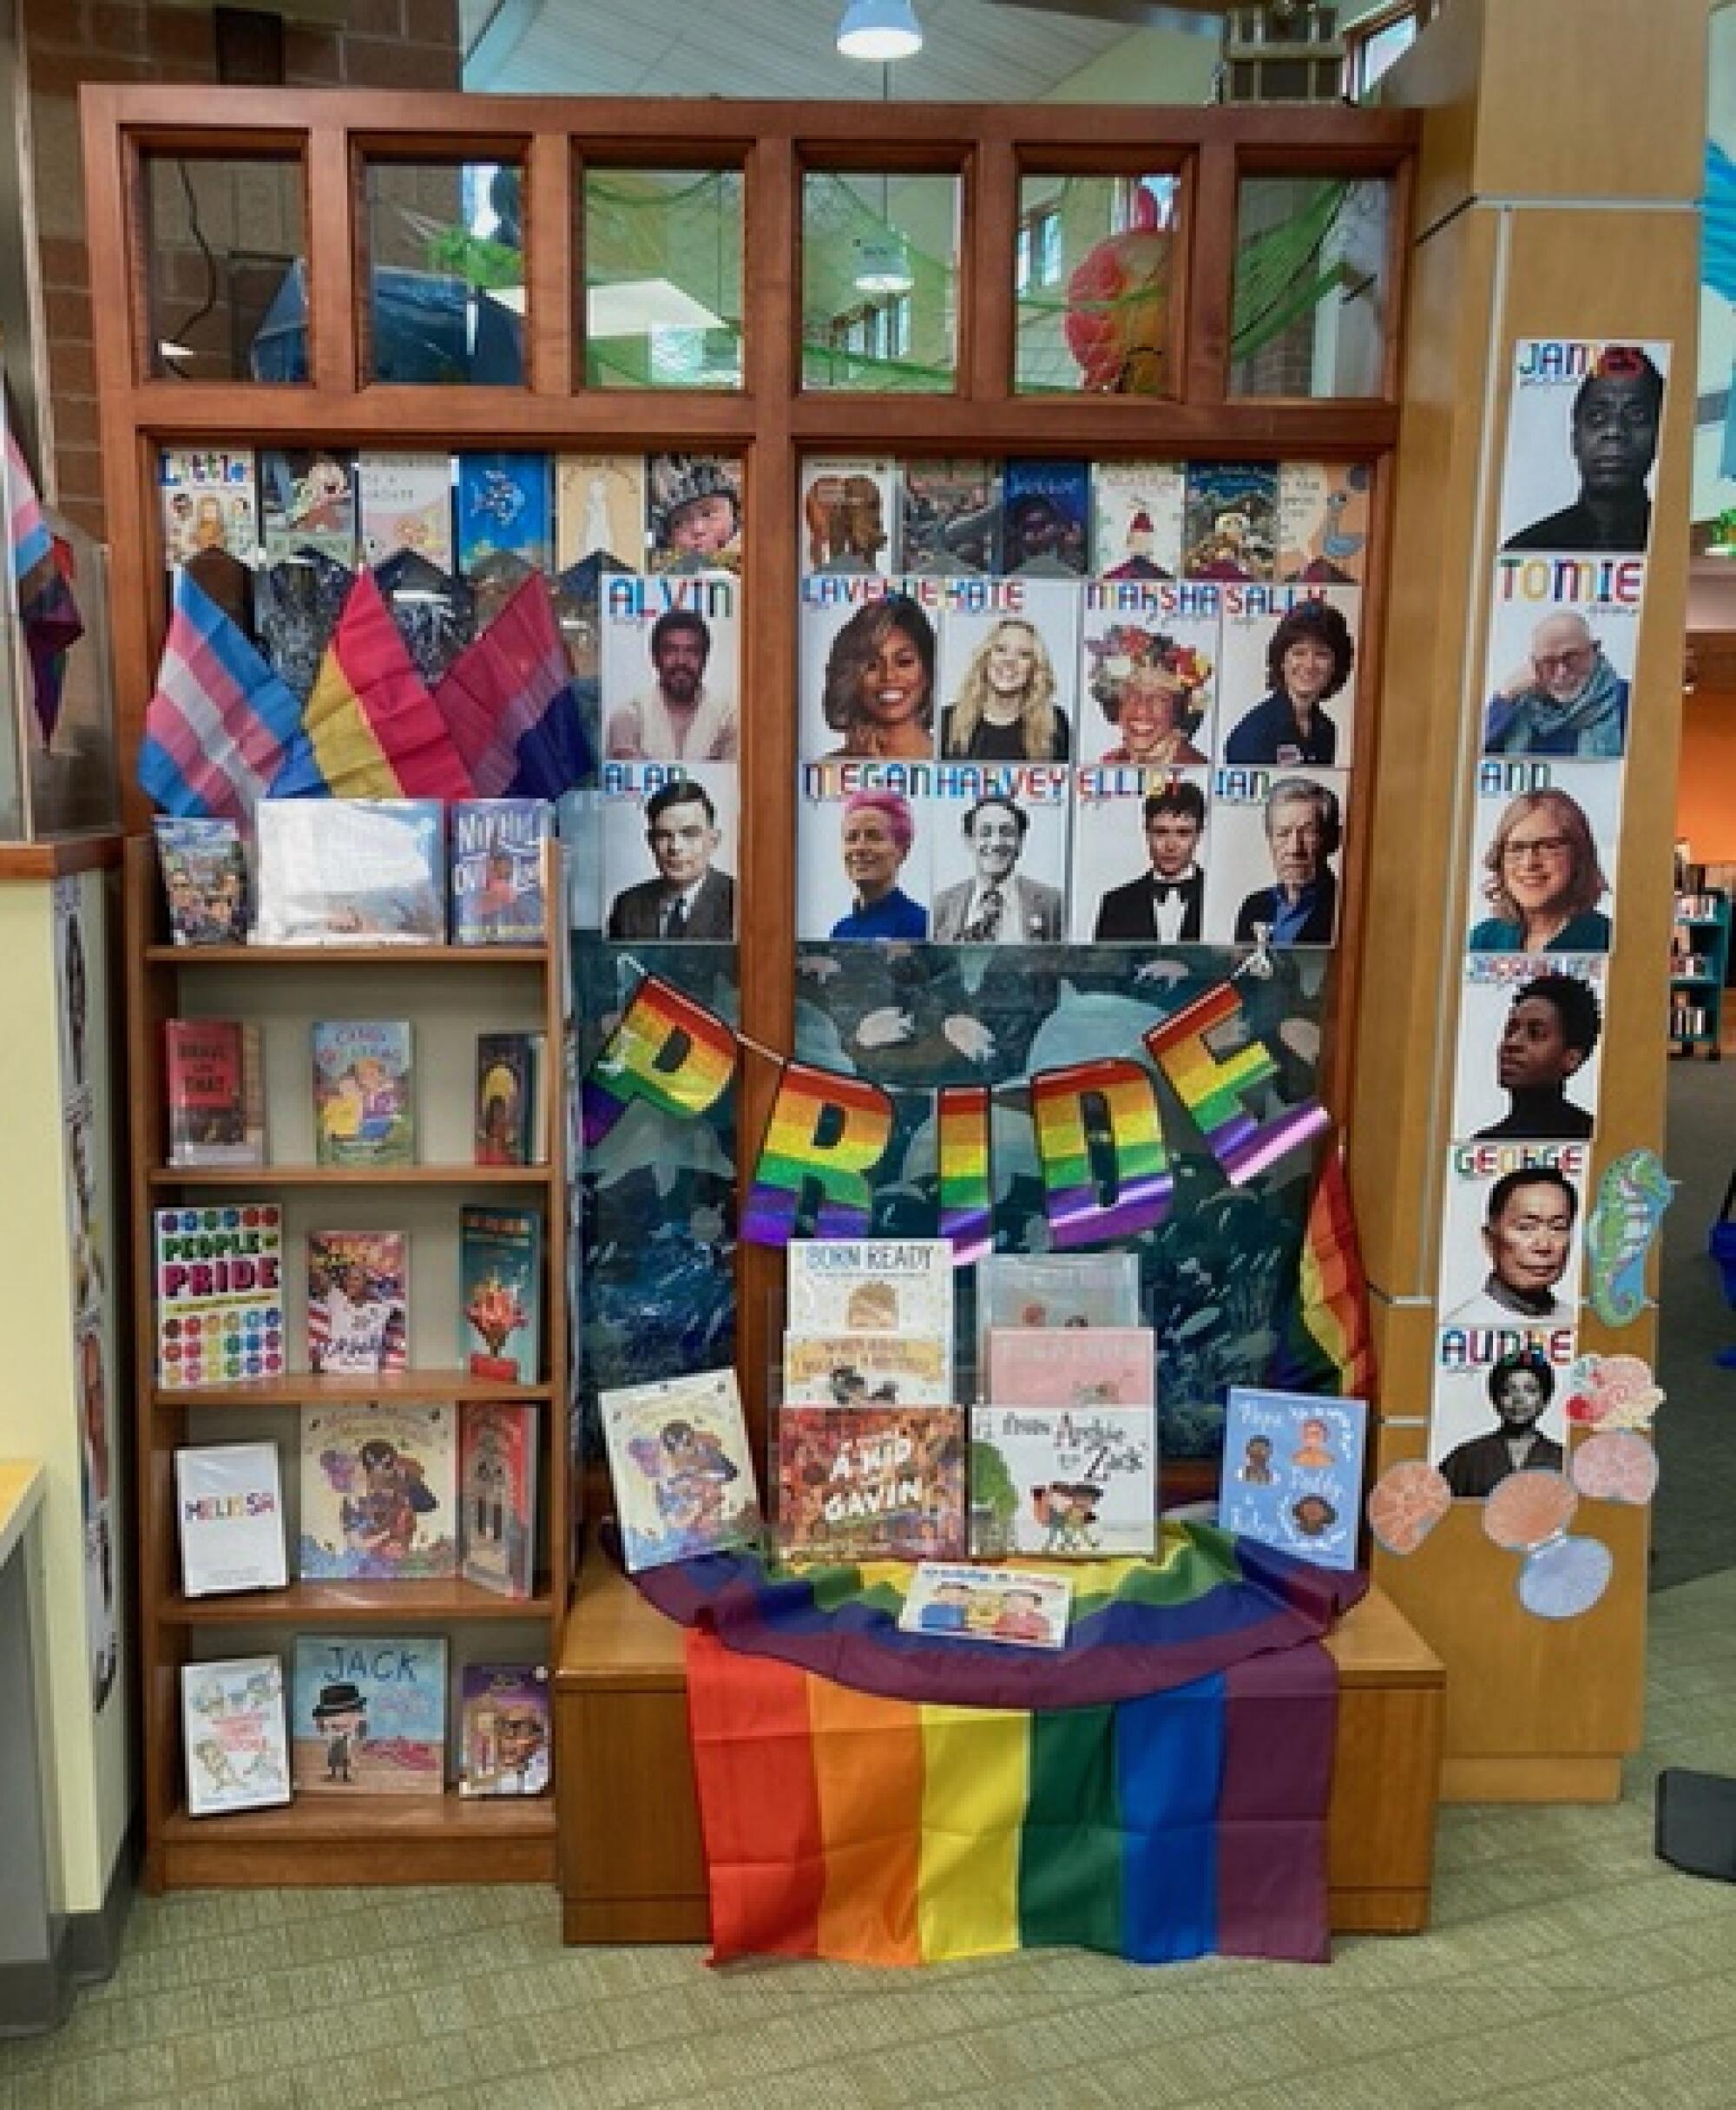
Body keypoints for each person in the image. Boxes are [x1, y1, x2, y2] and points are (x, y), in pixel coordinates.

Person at [1503, 348, 1663, 554]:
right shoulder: (1527, 551)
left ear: (1661, 435)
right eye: (1597, 417)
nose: (1614, 431)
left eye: (1636, 416)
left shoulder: (1680, 545)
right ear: (1574, 440)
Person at [1469, 787, 1610, 953]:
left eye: (1548, 846)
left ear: (1579, 855)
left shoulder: (1609, 941)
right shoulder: (1482, 941)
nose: (1529, 863)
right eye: (1516, 848)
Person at [1223, 599, 1356, 766]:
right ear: (1281, 661)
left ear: (1336, 665)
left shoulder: (1325, 730)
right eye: (1299, 653)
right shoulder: (1254, 733)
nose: (1309, 665)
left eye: (1322, 654)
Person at [1482, 610, 1628, 759]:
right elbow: (1473, 756)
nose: (1562, 672)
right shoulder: (1519, 706)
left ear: (1595, 650)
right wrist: (1506, 694)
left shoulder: (1629, 701)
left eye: (1572, 657)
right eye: (1549, 662)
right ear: (1534, 664)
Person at [1474, 971, 1601, 1140]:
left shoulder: (1594, 1138)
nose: (1512, 1043)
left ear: (1571, 1058)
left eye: (1536, 1033)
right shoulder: (1483, 1144)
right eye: (1510, 1031)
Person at [606, 779, 736, 940]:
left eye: (689, 834)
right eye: (664, 835)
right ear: (651, 842)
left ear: (713, 841)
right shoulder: (628, 906)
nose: (675, 847)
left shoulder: (738, 902)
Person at [1448, 1167, 1578, 1324]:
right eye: (1526, 1227)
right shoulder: (1461, 1327)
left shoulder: (1577, 1323)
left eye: (1558, 1227)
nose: (1544, 1245)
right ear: (1490, 1239)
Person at [604, 608, 737, 761]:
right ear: (655, 658)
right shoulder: (627, 719)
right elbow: (632, 783)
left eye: (692, 651)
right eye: (671, 651)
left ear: (704, 660)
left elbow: (730, 782)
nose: (681, 661)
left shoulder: (728, 720)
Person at [930, 794, 1062, 943]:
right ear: (969, 840)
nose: (996, 843)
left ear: (1020, 841)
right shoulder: (941, 906)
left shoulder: (1053, 904)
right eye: (985, 833)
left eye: (1006, 832)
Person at [1437, 1348, 1565, 1498]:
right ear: (1495, 1399)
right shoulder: (1465, 1459)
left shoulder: (1563, 1460)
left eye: (1530, 1390)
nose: (1518, 1399)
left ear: (1544, 1400)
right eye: (1509, 1390)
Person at [820, 595, 936, 759]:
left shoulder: (959, 762)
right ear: (853, 678)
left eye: (904, 662)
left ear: (927, 672)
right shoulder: (826, 770)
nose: (888, 676)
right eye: (871, 665)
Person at [938, 617, 1069, 760]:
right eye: (1001, 650)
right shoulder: (947, 721)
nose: (1009, 660)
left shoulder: (1055, 724)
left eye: (1023, 654)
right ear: (986, 659)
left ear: (1034, 668)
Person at [1233, 777, 1341, 946]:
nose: (1294, 849)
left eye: (1308, 833)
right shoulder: (1253, 907)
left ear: (1332, 840)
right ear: (1269, 839)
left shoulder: (1344, 909)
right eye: (1283, 833)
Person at [1095, 781, 1207, 942]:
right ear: (1147, 832)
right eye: (1161, 832)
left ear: (1199, 834)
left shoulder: (1216, 901)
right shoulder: (1116, 904)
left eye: (1183, 833)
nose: (1170, 845)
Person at [1087, 632, 1211, 766]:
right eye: (1131, 695)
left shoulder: (1195, 765)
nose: (1141, 710)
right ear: (1115, 702)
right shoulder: (1109, 762)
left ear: (1178, 710)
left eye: (1159, 698)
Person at [831, 788, 926, 940]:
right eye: (851, 838)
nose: (860, 847)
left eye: (874, 837)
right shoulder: (841, 931)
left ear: (903, 850)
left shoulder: (921, 927)